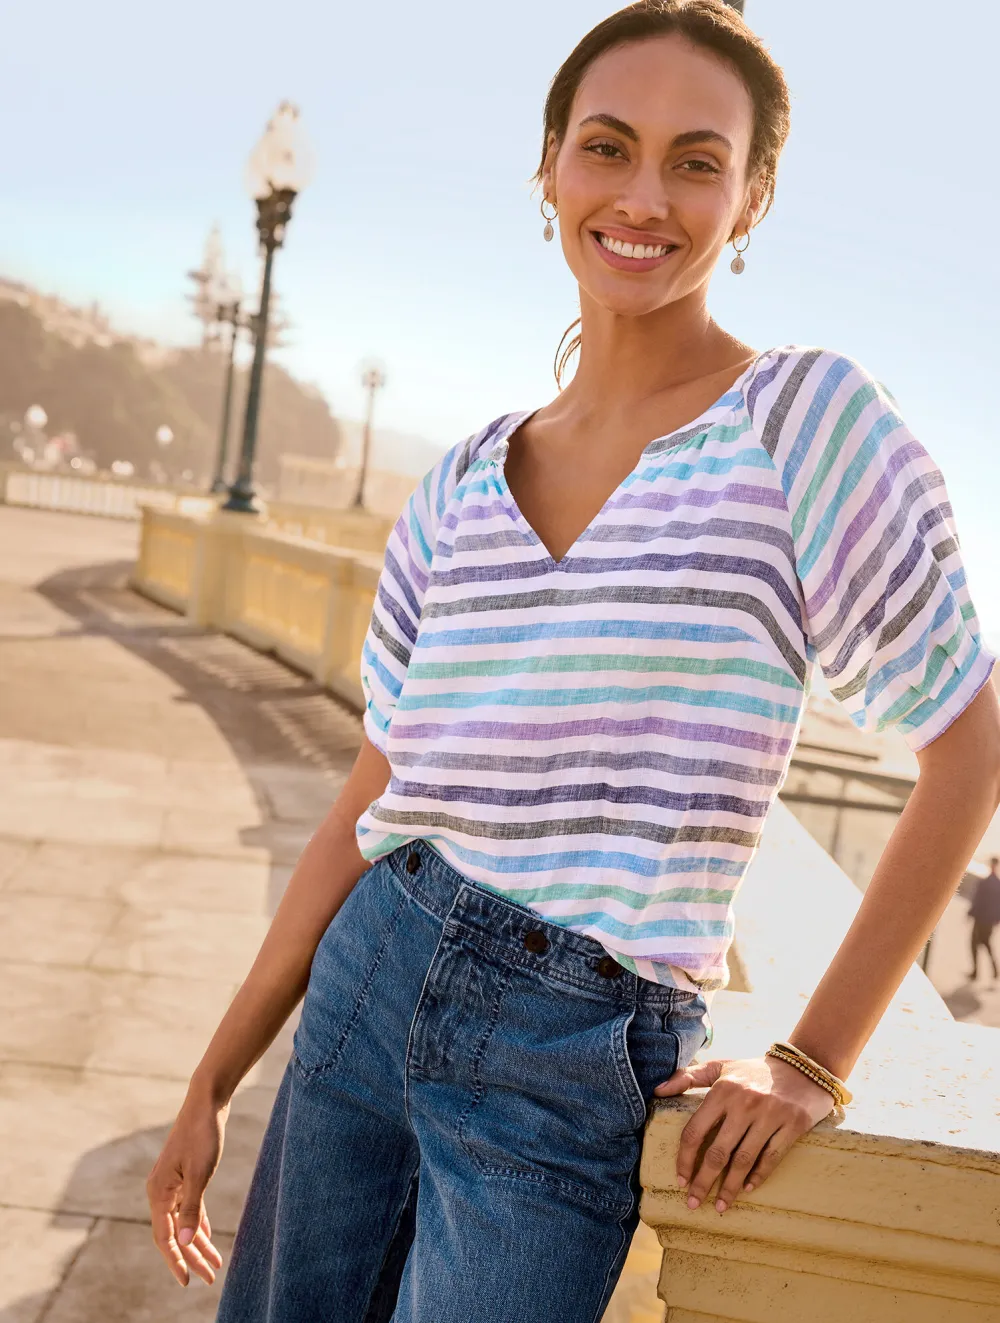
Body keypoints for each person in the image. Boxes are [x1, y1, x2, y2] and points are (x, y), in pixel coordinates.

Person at [146, 3, 1000, 1319]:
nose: (644, 195)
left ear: (752, 197)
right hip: (372, 973)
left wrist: (814, 1060)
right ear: (550, 167)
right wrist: (213, 1072)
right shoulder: (459, 481)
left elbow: (968, 739)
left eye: (697, 161)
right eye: (608, 145)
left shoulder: (804, 419)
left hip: (576, 1044)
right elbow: (373, 797)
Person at [969, 857, 1000, 982]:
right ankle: (986, 971)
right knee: (981, 944)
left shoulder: (990, 882)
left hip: (984, 919)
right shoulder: (995, 883)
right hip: (985, 919)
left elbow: (980, 900)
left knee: (979, 944)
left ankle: (980, 971)